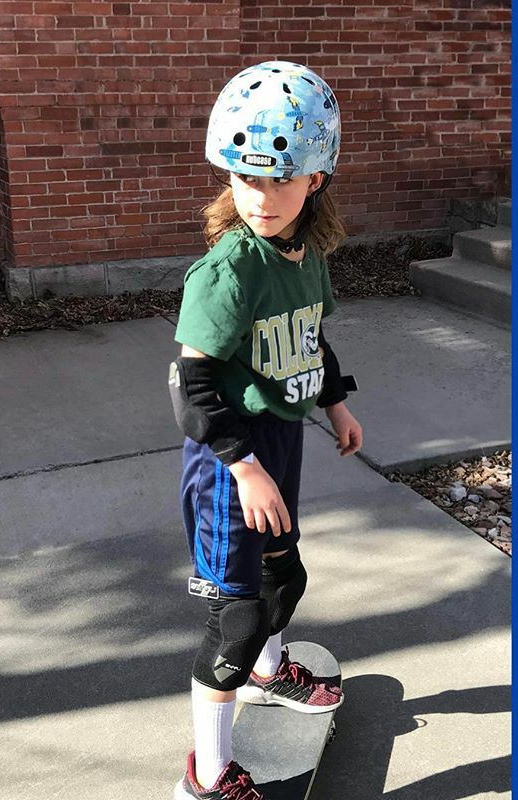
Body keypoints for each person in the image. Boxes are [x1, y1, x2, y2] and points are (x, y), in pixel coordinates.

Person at [168, 61, 363, 800]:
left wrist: (336, 404)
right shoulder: (228, 272)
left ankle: (269, 672)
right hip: (228, 461)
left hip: (278, 442)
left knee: (285, 577)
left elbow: (311, 339)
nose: (260, 197)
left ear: (315, 179)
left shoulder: (306, 258)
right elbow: (190, 388)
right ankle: (210, 774)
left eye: (280, 180)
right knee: (237, 618)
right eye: (246, 179)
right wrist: (244, 467)